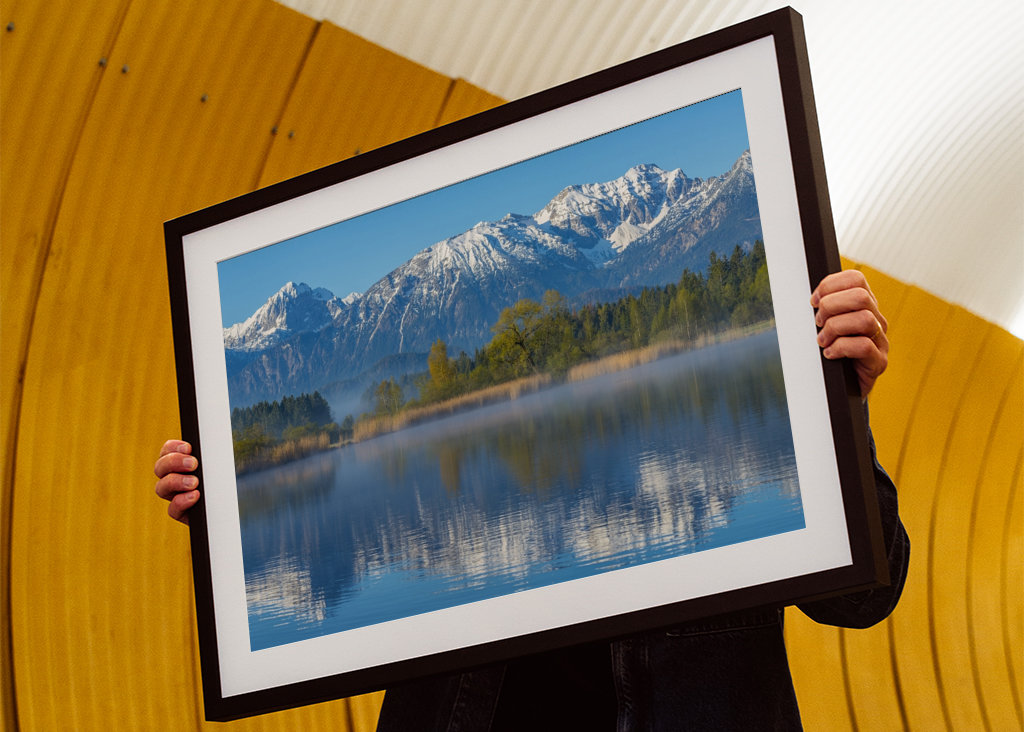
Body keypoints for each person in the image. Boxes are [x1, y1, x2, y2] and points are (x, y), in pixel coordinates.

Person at [154, 270, 909, 730]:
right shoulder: (443, 544)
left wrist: (840, 402)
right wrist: (235, 509)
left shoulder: (766, 408)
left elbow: (866, 596)